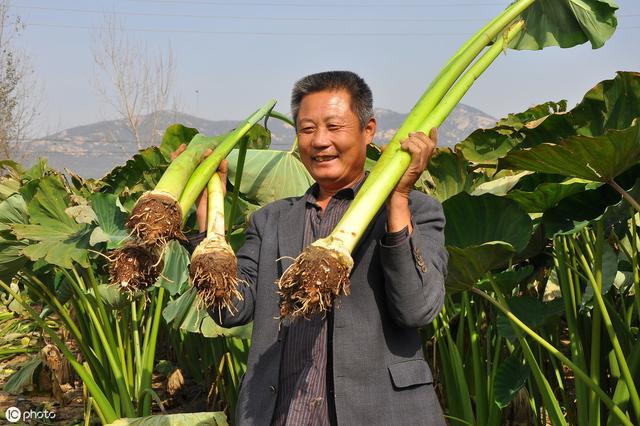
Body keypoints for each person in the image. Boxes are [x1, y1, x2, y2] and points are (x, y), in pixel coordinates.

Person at [190, 71, 448, 425]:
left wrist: (399, 198)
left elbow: (416, 310)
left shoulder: (415, 211)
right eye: (307, 130)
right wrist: (208, 226)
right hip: (284, 414)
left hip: (381, 413)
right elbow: (232, 311)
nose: (320, 141)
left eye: (334, 126)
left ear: (367, 129)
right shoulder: (272, 221)